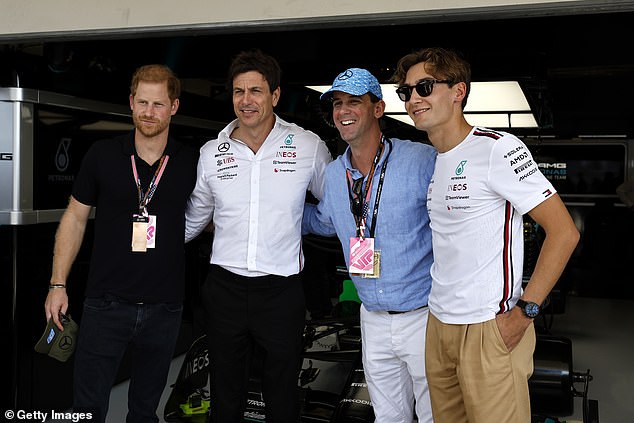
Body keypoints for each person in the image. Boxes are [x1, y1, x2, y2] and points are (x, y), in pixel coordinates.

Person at [392, 47, 580, 422]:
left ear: (458, 91)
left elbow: (564, 232)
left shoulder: (498, 149)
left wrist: (525, 312)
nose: (413, 99)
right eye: (406, 91)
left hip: (489, 327)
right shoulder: (435, 160)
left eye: (424, 87)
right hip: (439, 324)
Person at [44, 64, 198, 423]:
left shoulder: (193, 162)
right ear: (130, 102)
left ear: (174, 106)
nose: (149, 112)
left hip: (165, 308)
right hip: (105, 304)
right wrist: (57, 284)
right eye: (142, 102)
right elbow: (74, 218)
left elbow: (211, 218)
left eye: (158, 104)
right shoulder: (102, 154)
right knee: (87, 410)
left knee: (144, 412)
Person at [184, 49, 332, 423]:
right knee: (225, 394)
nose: (246, 101)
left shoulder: (307, 146)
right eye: (238, 92)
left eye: (256, 91)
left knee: (282, 395)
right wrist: (145, 245)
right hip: (224, 290)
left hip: (281, 292)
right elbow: (195, 218)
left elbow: (334, 210)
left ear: (275, 95)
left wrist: (296, 219)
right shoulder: (211, 153)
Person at [302, 67, 436, 423]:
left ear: (378, 109)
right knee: (388, 417)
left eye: (354, 102)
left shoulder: (421, 160)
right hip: (372, 319)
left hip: (423, 317)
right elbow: (325, 223)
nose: (343, 111)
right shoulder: (335, 173)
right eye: (337, 103)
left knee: (435, 415)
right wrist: (275, 213)